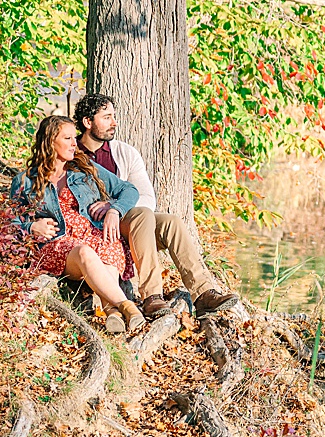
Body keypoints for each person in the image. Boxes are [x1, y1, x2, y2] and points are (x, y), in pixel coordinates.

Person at [73, 94, 230, 319]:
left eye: (114, 117)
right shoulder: (72, 153)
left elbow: (146, 197)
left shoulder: (125, 153)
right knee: (142, 216)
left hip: (126, 222)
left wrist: (114, 207)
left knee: (171, 222)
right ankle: (151, 296)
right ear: (88, 122)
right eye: (107, 117)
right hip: (93, 228)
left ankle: (203, 292)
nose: (114, 123)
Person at [11, 115, 146, 335]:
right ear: (49, 141)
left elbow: (128, 190)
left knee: (108, 246)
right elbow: (9, 222)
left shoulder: (84, 168)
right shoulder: (25, 180)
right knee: (85, 253)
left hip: (92, 233)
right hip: (58, 243)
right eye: (68, 138)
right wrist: (31, 227)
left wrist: (114, 209)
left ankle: (113, 313)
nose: (75, 143)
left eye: (75, 137)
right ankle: (129, 308)